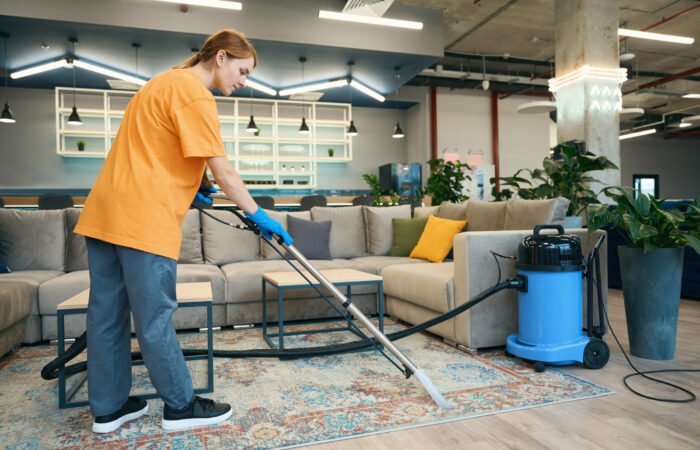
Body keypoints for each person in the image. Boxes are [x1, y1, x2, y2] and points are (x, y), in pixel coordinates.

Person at [74, 28, 293, 434]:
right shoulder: (195, 94)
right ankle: (181, 406)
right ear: (222, 57)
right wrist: (258, 212)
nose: (243, 82)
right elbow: (222, 168)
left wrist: (193, 184)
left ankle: (109, 408)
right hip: (143, 217)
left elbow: (155, 149)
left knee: (106, 313)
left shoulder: (160, 82)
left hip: (105, 210)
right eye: (243, 71)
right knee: (155, 316)